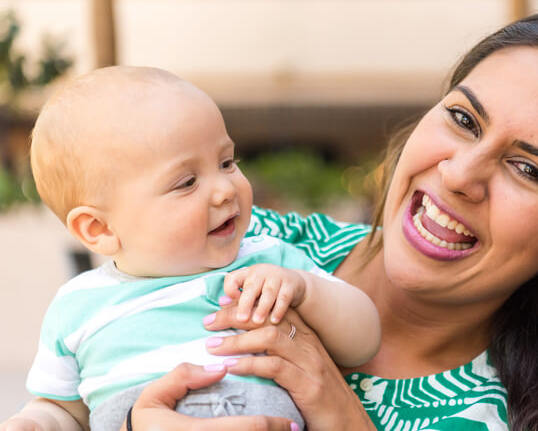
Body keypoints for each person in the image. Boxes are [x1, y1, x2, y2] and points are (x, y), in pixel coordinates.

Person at [6, 8, 538, 430]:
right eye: (464, 119)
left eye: (529, 169)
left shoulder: (493, 414)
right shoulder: (247, 243)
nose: (461, 174)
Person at [0, 67, 381, 431]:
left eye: (227, 162)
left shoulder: (269, 259)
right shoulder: (78, 307)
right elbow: (65, 409)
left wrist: (304, 288)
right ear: (99, 228)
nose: (225, 189)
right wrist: (37, 422)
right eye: (186, 182)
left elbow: (363, 339)